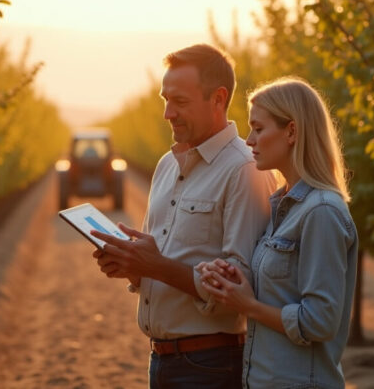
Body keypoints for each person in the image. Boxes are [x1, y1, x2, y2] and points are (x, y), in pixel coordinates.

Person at [90, 43, 276, 389]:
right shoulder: (166, 165)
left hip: (211, 365)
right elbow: (167, 263)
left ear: (218, 99)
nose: (167, 113)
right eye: (165, 100)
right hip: (162, 359)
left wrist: (155, 266)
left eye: (180, 101)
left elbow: (242, 288)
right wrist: (134, 268)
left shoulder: (243, 170)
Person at [197, 77, 358, 388]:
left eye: (258, 129)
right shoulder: (283, 206)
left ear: (292, 132)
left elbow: (320, 321)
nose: (248, 140)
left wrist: (249, 306)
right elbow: (282, 293)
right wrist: (227, 279)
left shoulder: (321, 211)